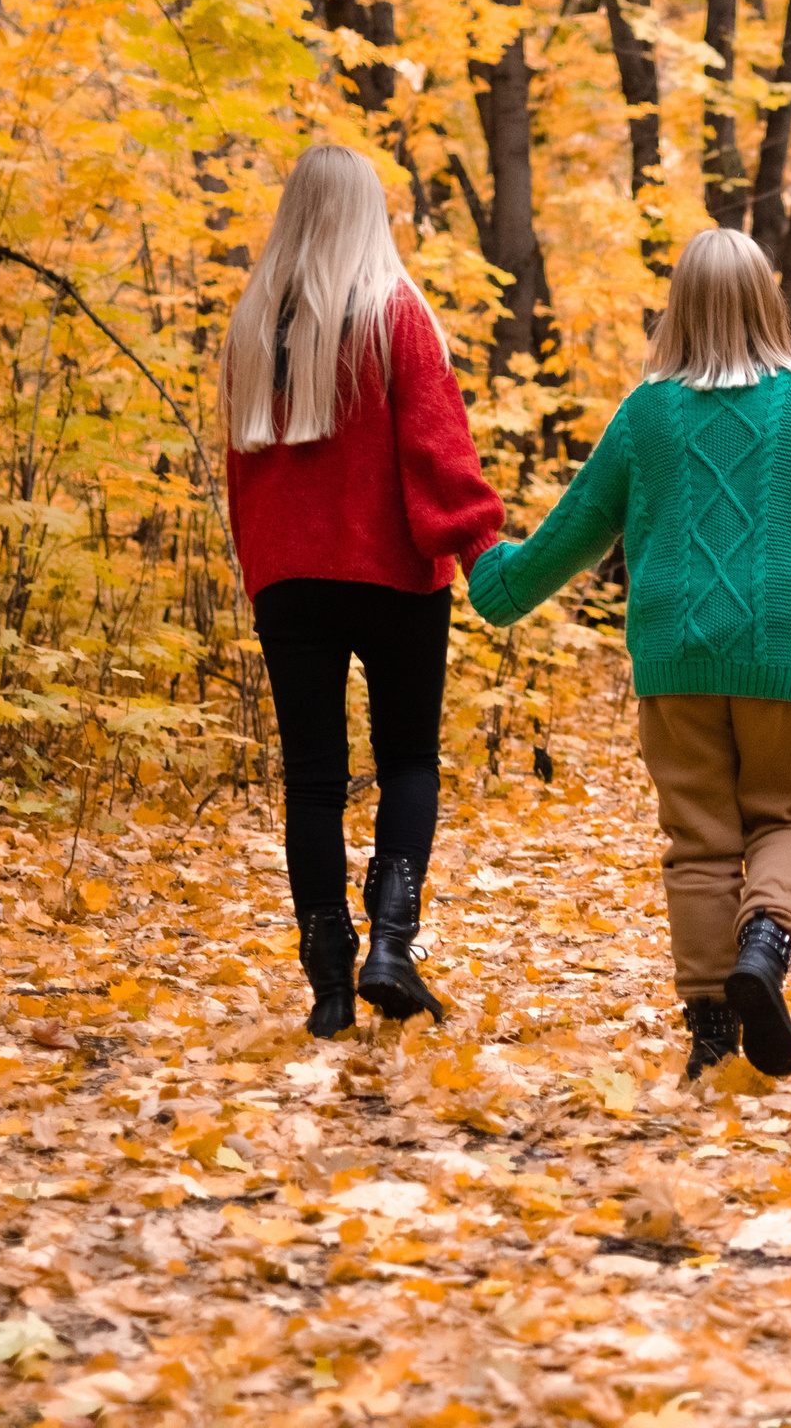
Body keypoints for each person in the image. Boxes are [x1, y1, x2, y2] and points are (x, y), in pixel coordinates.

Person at [466, 228, 791, 1080]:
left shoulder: (648, 414)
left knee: (700, 844)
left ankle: (711, 1035)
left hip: (675, 662)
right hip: (788, 660)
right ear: (766, 304)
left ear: (679, 312)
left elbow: (576, 529)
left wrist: (501, 584)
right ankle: (766, 945)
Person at [222, 145, 504, 1038]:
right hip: (392, 574)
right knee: (408, 761)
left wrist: (259, 570)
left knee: (312, 783)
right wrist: (478, 546)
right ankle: (391, 942)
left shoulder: (252, 327)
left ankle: (329, 985)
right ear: (368, 214)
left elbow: (241, 474)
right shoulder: (396, 317)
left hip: (290, 581)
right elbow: (438, 450)